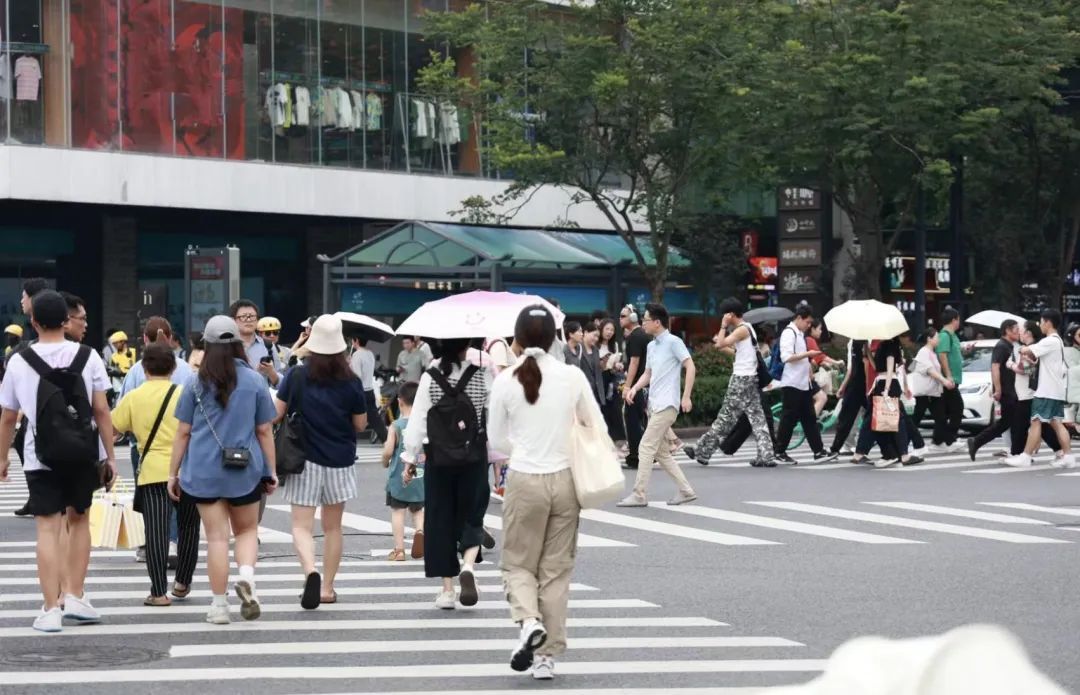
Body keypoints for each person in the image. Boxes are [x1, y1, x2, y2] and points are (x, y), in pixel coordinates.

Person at [488, 305, 603, 681]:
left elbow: (496, 439)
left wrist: (521, 445)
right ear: (556, 336)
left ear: (517, 340)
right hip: (565, 479)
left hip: (524, 478)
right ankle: (545, 659)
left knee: (519, 564)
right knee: (555, 571)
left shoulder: (505, 380)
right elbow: (593, 422)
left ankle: (528, 622)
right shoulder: (571, 377)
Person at [0, 290, 116, 632]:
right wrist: (109, 455)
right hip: (83, 453)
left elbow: (8, 417)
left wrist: (3, 457)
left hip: (41, 455)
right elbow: (102, 410)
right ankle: (76, 596)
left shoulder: (19, 361)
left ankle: (51, 608)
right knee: (79, 521)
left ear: (33, 321)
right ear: (66, 321)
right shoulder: (88, 355)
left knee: (47, 528)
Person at [166, 315, 278, 625]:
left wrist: (173, 473)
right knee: (246, 531)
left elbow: (183, 432)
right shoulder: (255, 381)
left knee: (216, 538)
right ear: (238, 345)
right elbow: (265, 431)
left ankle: (218, 606)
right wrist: (271, 470)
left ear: (209, 346)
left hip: (203, 470)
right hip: (244, 471)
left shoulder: (194, 383)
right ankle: (246, 577)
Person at [275, 314, 367, 609]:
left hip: (305, 459)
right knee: (333, 528)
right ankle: (327, 588)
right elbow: (361, 425)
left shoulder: (297, 375)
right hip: (340, 460)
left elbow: (276, 413)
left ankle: (310, 571)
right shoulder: (351, 381)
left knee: (301, 526)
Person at [402, 338, 491, 610]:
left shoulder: (431, 377)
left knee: (440, 520)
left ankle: (448, 590)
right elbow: (495, 416)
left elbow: (417, 421)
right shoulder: (481, 376)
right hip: (473, 455)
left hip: (439, 458)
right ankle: (468, 566)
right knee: (472, 514)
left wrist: (410, 458)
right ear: (467, 346)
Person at [110, 343, 199, 606]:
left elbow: (113, 429)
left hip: (152, 473)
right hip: (186, 471)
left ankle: (158, 592)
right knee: (189, 528)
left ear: (144, 367)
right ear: (173, 367)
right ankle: (182, 583)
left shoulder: (134, 397)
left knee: (156, 532)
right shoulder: (185, 393)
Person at [119, 317, 194, 565]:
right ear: (171, 337)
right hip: (181, 444)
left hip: (144, 448)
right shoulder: (186, 370)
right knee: (177, 496)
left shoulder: (135, 371)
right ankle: (174, 541)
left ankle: (150, 543)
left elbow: (121, 413)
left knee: (149, 498)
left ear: (143, 339)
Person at [617, 303, 697, 507]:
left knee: (645, 447)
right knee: (661, 453)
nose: (642, 322)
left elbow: (690, 366)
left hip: (667, 404)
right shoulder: (651, 346)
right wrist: (634, 388)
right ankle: (686, 490)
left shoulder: (674, 342)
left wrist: (686, 396)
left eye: (645, 319)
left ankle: (639, 494)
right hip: (654, 404)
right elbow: (648, 373)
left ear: (657, 322)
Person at [685, 298, 777, 467]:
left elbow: (720, 344)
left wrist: (722, 327)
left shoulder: (741, 329)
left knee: (725, 418)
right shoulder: (747, 329)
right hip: (751, 379)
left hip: (741, 380)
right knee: (758, 419)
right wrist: (721, 340)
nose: (724, 317)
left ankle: (701, 451)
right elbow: (736, 352)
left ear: (731, 314)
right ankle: (767, 455)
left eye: (725, 315)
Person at [1006, 309, 1075, 468]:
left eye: (1041, 322)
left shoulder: (1050, 340)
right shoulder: (1057, 341)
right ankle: (1068, 456)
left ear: (1048, 322)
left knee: (1036, 420)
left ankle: (1025, 456)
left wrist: (1022, 348)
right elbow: (1038, 359)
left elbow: (1027, 349)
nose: (1040, 325)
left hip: (1047, 390)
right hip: (1055, 389)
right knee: (1056, 423)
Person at [773, 306, 837, 463]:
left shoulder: (799, 334)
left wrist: (808, 366)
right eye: (807, 322)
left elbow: (800, 359)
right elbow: (786, 357)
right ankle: (779, 451)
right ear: (799, 318)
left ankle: (818, 451)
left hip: (802, 384)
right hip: (792, 383)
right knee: (789, 419)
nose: (809, 325)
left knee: (809, 419)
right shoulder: (789, 333)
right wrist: (808, 354)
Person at [382, 381, 424, 562]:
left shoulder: (396, 425)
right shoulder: (424, 425)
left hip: (399, 478)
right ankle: (420, 532)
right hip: (421, 476)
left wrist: (385, 461)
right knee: (418, 510)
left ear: (399, 402)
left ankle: (399, 550)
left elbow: (389, 451)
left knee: (398, 511)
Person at [864, 338, 924, 468]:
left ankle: (902, 454)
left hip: (888, 385)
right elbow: (877, 368)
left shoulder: (890, 345)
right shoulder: (882, 346)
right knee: (886, 422)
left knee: (895, 421)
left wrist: (886, 389)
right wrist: (867, 351)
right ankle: (897, 454)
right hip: (881, 384)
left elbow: (890, 370)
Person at [1008, 321, 1062, 460]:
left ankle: (1019, 454)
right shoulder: (1033, 347)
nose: (1019, 333)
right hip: (1027, 392)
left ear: (1028, 333)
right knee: (1042, 425)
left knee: (1022, 425)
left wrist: (1012, 365)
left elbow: (1028, 371)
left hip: (1029, 393)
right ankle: (1059, 450)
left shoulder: (1033, 349)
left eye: (1021, 331)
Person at [967, 320, 1021, 461]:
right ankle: (1016, 453)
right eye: (1015, 329)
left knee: (1009, 422)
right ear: (1007, 330)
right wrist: (998, 389)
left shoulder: (1009, 346)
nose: (1018, 332)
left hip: (1011, 390)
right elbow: (995, 367)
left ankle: (977, 442)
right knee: (1010, 422)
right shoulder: (1002, 346)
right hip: (1006, 391)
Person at [619, 304, 650, 469]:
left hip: (637, 385)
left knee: (632, 422)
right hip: (642, 385)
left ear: (633, 318)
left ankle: (636, 457)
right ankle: (646, 455)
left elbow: (634, 362)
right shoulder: (641, 335)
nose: (620, 319)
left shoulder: (635, 336)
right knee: (641, 421)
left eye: (623, 316)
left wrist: (627, 387)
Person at [228, 299, 283, 387]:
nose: (248, 320)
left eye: (252, 316)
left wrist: (271, 372)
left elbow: (281, 384)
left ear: (257, 320)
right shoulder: (227, 346)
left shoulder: (268, 346)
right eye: (243, 316)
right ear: (233, 320)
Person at [933, 308, 966, 453]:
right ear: (954, 320)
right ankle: (949, 439)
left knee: (944, 411)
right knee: (957, 408)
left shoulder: (952, 336)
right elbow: (942, 355)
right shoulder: (945, 335)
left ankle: (938, 440)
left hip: (953, 379)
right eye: (958, 319)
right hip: (948, 380)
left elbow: (952, 353)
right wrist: (948, 375)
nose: (959, 322)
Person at [829, 339, 868, 456]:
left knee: (870, 418)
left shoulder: (864, 342)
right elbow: (853, 367)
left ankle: (859, 450)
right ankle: (837, 448)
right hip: (857, 385)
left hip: (861, 385)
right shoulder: (855, 343)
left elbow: (861, 365)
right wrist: (843, 386)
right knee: (848, 418)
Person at [350, 337, 388, 444]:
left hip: (359, 392)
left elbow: (357, 377)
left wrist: (349, 368)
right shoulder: (370, 354)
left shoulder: (356, 355)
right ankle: (388, 442)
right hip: (369, 391)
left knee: (350, 420)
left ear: (356, 340)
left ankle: (350, 446)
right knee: (376, 421)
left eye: (352, 340)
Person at [597, 319, 626, 443]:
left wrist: (617, 365)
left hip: (611, 380)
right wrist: (604, 362)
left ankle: (616, 440)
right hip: (600, 379)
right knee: (602, 409)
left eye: (612, 330)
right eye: (607, 329)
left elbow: (615, 366)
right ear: (601, 329)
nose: (609, 332)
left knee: (614, 409)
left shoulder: (614, 346)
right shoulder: (595, 346)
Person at [577, 322, 605, 405]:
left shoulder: (596, 350)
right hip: (583, 392)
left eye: (598, 337)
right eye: (594, 335)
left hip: (596, 395)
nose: (596, 339)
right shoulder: (577, 349)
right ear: (585, 333)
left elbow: (597, 371)